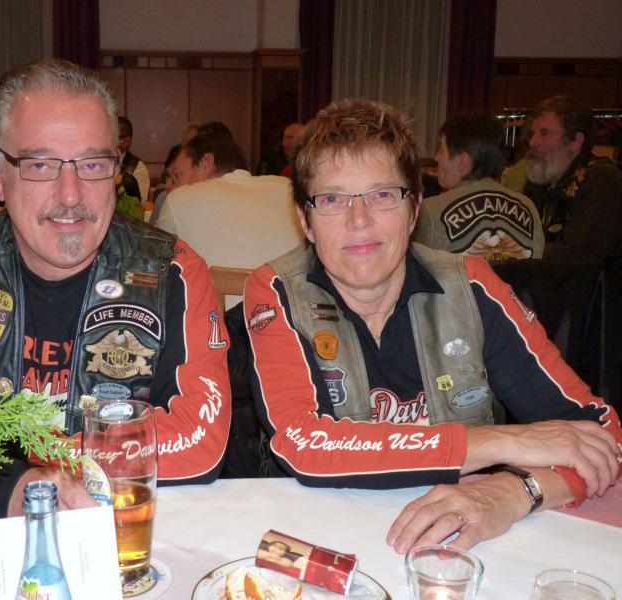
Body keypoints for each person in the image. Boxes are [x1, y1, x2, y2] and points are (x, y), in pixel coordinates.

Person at [0, 59, 231, 523]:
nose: (70, 195)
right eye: (40, 165)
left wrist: (35, 469)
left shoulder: (173, 273)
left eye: (92, 164)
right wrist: (12, 490)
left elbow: (200, 438)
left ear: (116, 170)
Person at [244, 98, 622, 553]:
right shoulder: (277, 291)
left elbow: (600, 431)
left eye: (383, 195)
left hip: (459, 547)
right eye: (332, 199)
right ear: (305, 220)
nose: (359, 220)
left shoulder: (472, 286)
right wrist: (505, 442)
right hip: (322, 537)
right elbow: (305, 443)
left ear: (414, 208)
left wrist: (515, 491)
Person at [157, 130, 303, 270]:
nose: (169, 186)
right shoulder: (288, 188)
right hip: (286, 287)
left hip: (213, 289)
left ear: (206, 164)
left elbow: (157, 268)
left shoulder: (179, 199)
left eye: (177, 176)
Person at [413, 112, 544, 260]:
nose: (437, 158)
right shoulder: (529, 208)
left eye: (441, 149)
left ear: (463, 162)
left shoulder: (430, 212)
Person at [524, 95, 622, 260]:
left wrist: (518, 253)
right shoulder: (542, 181)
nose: (532, 142)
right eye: (533, 134)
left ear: (576, 141)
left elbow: (579, 256)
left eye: (544, 133)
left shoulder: (600, 178)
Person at [117, 116, 151, 204]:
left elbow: (139, 205)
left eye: (116, 137)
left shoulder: (138, 167)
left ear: (127, 141)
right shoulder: (100, 162)